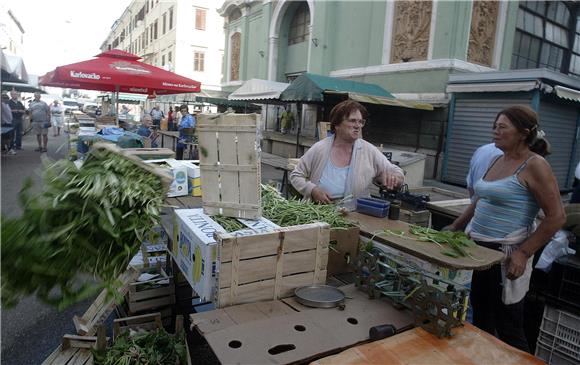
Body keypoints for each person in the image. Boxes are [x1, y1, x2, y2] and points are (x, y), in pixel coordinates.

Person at [444, 105, 565, 352]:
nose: (495, 132)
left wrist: (523, 253)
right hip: (478, 251)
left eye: (502, 127)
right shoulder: (498, 159)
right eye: (494, 126)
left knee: (508, 325)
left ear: (522, 133)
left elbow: (556, 217)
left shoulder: (535, 165)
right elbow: (480, 198)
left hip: (505, 255)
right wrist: (456, 226)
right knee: (481, 319)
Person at [290, 100, 404, 203]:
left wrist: (395, 177)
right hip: (319, 211)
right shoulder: (320, 149)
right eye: (352, 121)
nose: (358, 126)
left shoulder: (369, 151)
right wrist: (312, 190)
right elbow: (296, 175)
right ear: (337, 124)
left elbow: (395, 171)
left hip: (356, 214)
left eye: (361, 122)